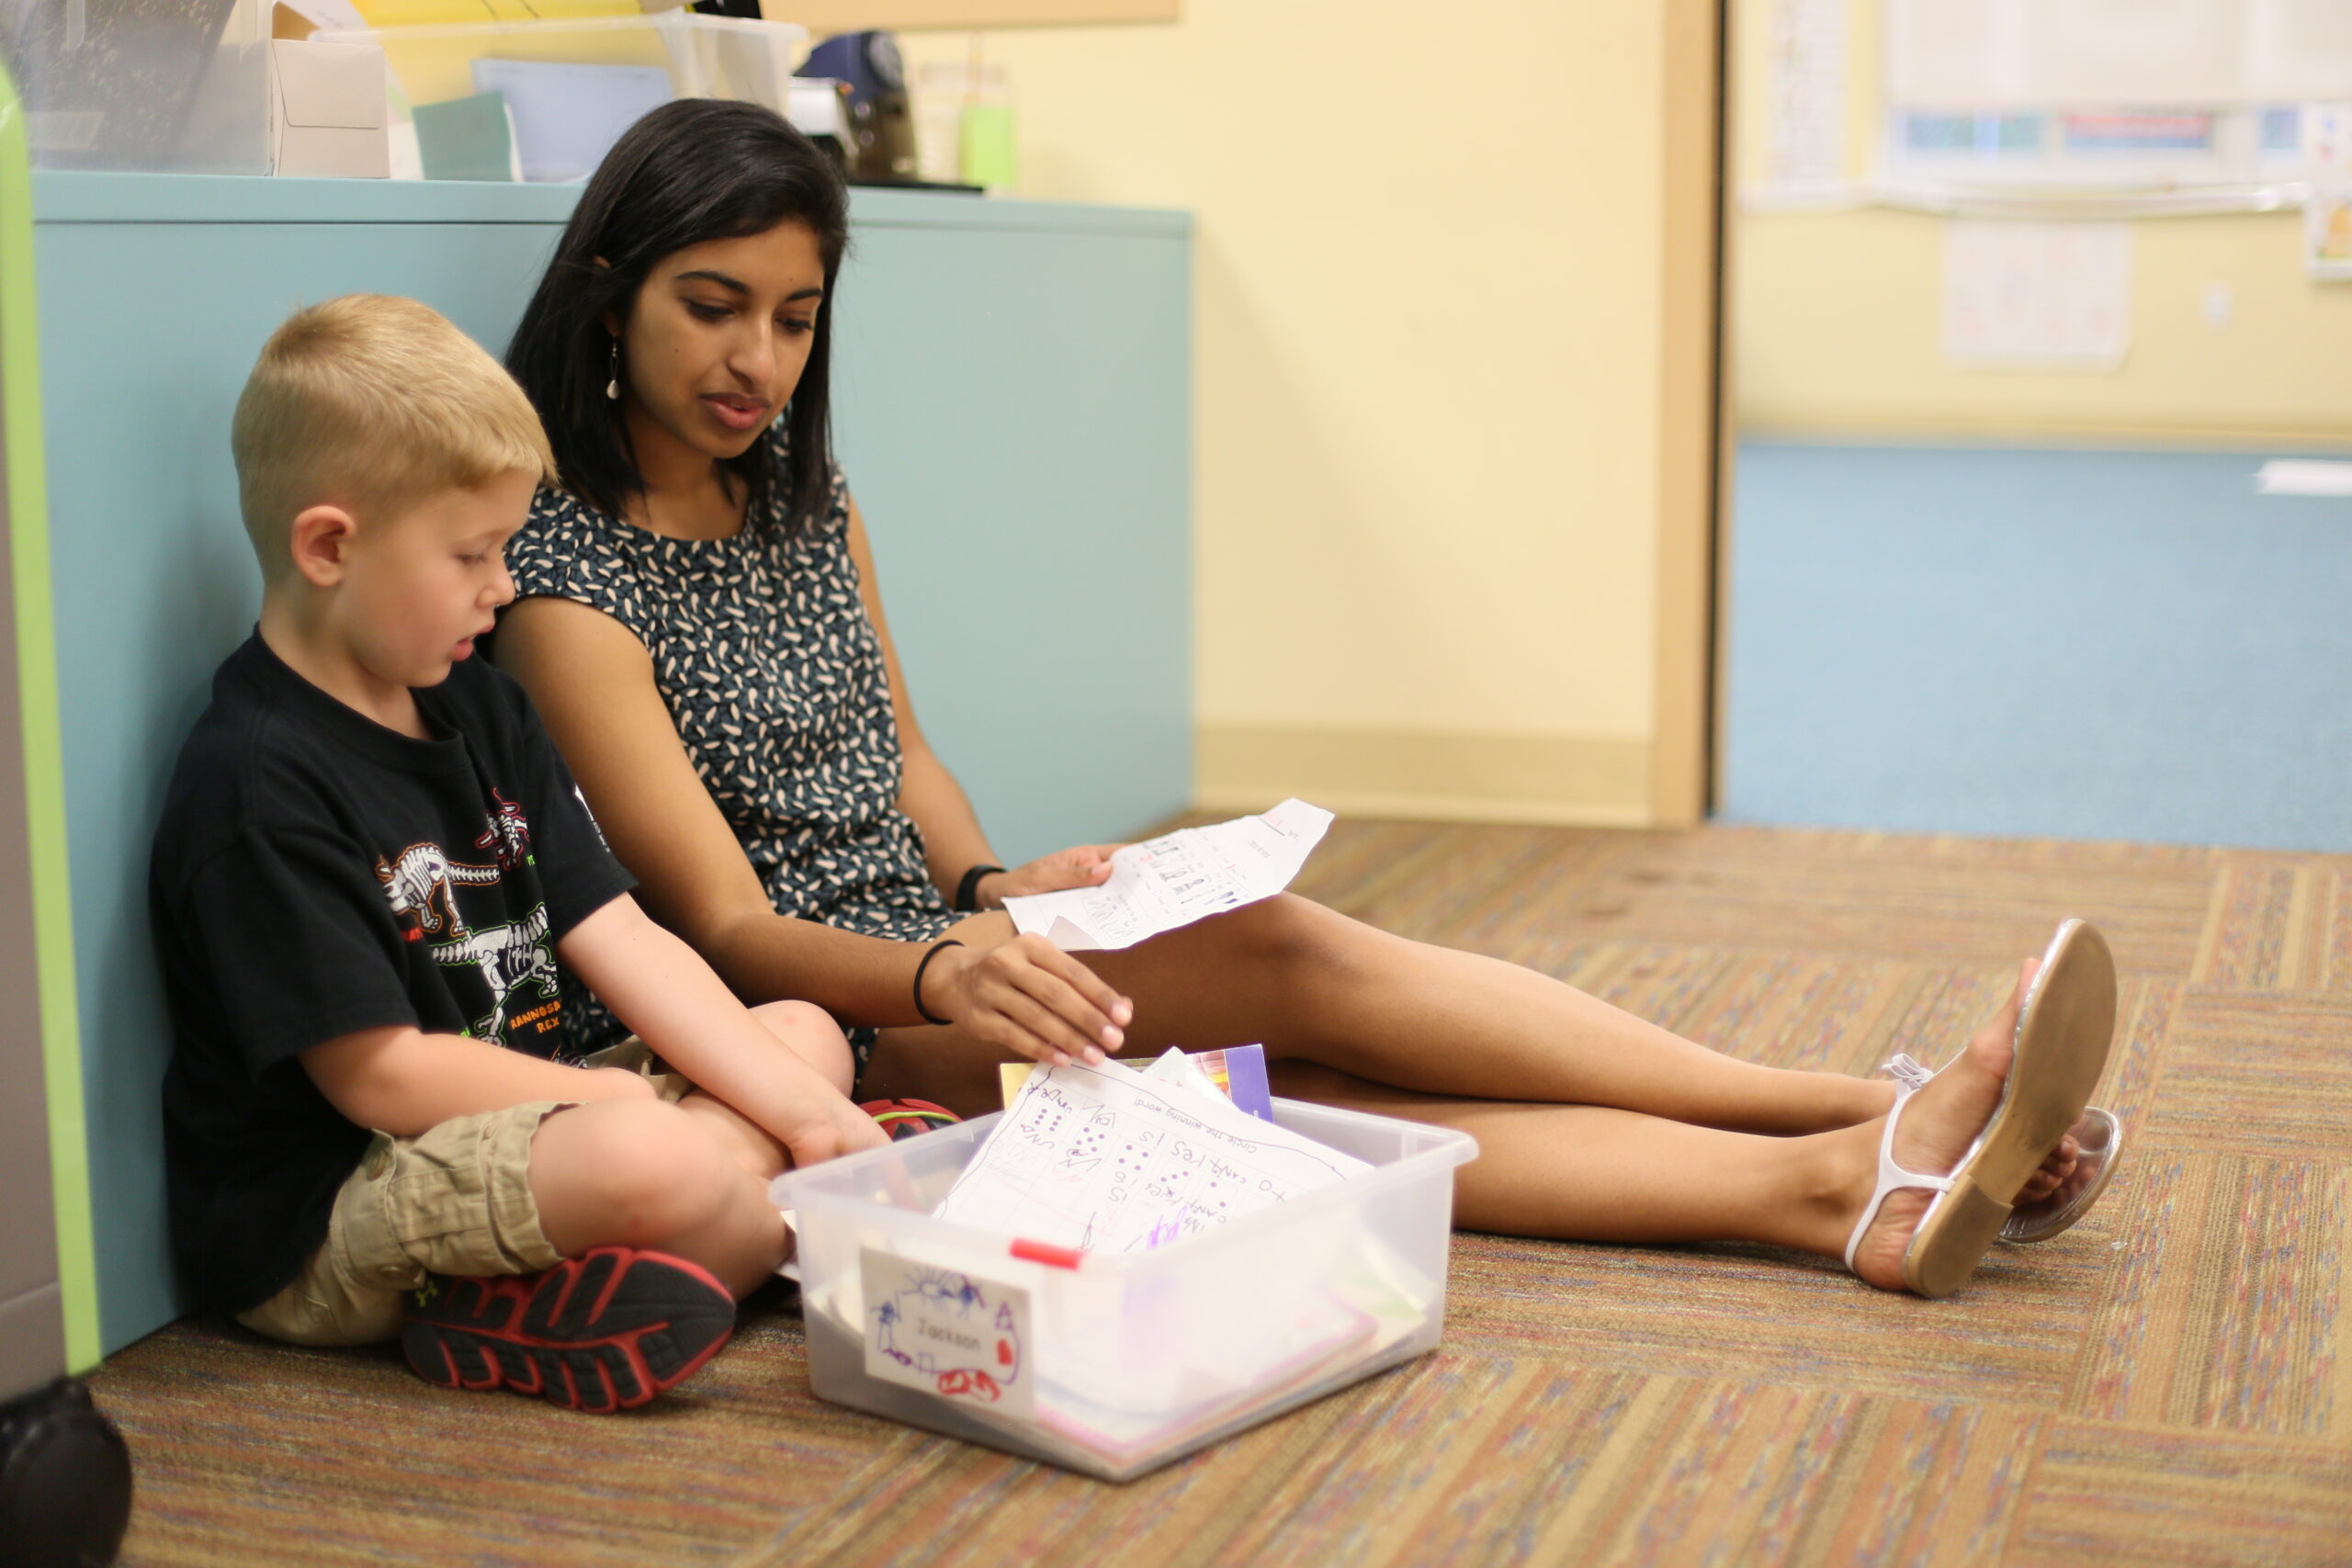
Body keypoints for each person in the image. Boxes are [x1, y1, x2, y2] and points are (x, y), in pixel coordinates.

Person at [492, 100, 2120, 1301]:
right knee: (1287, 960)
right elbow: (714, 922)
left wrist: (993, 889)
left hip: (959, 957)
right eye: (714, 308)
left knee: (1320, 1100)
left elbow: (900, 754)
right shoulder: (566, 582)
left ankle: (1853, 1192)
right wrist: (950, 963)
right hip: (815, 1028)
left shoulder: (800, 493)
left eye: (794, 317)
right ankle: (1878, 1108)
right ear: (613, 289)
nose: (758, 361)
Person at [152, 296, 892, 1416]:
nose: (504, 588)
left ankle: (643, 1260)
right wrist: (636, 1124)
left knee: (801, 1037)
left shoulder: (481, 708)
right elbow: (381, 1076)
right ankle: (752, 1229)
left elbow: (622, 937)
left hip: (533, 1121)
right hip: (338, 1202)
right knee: (667, 1159)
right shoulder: (257, 782)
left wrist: (804, 1112)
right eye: (473, 555)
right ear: (328, 547)